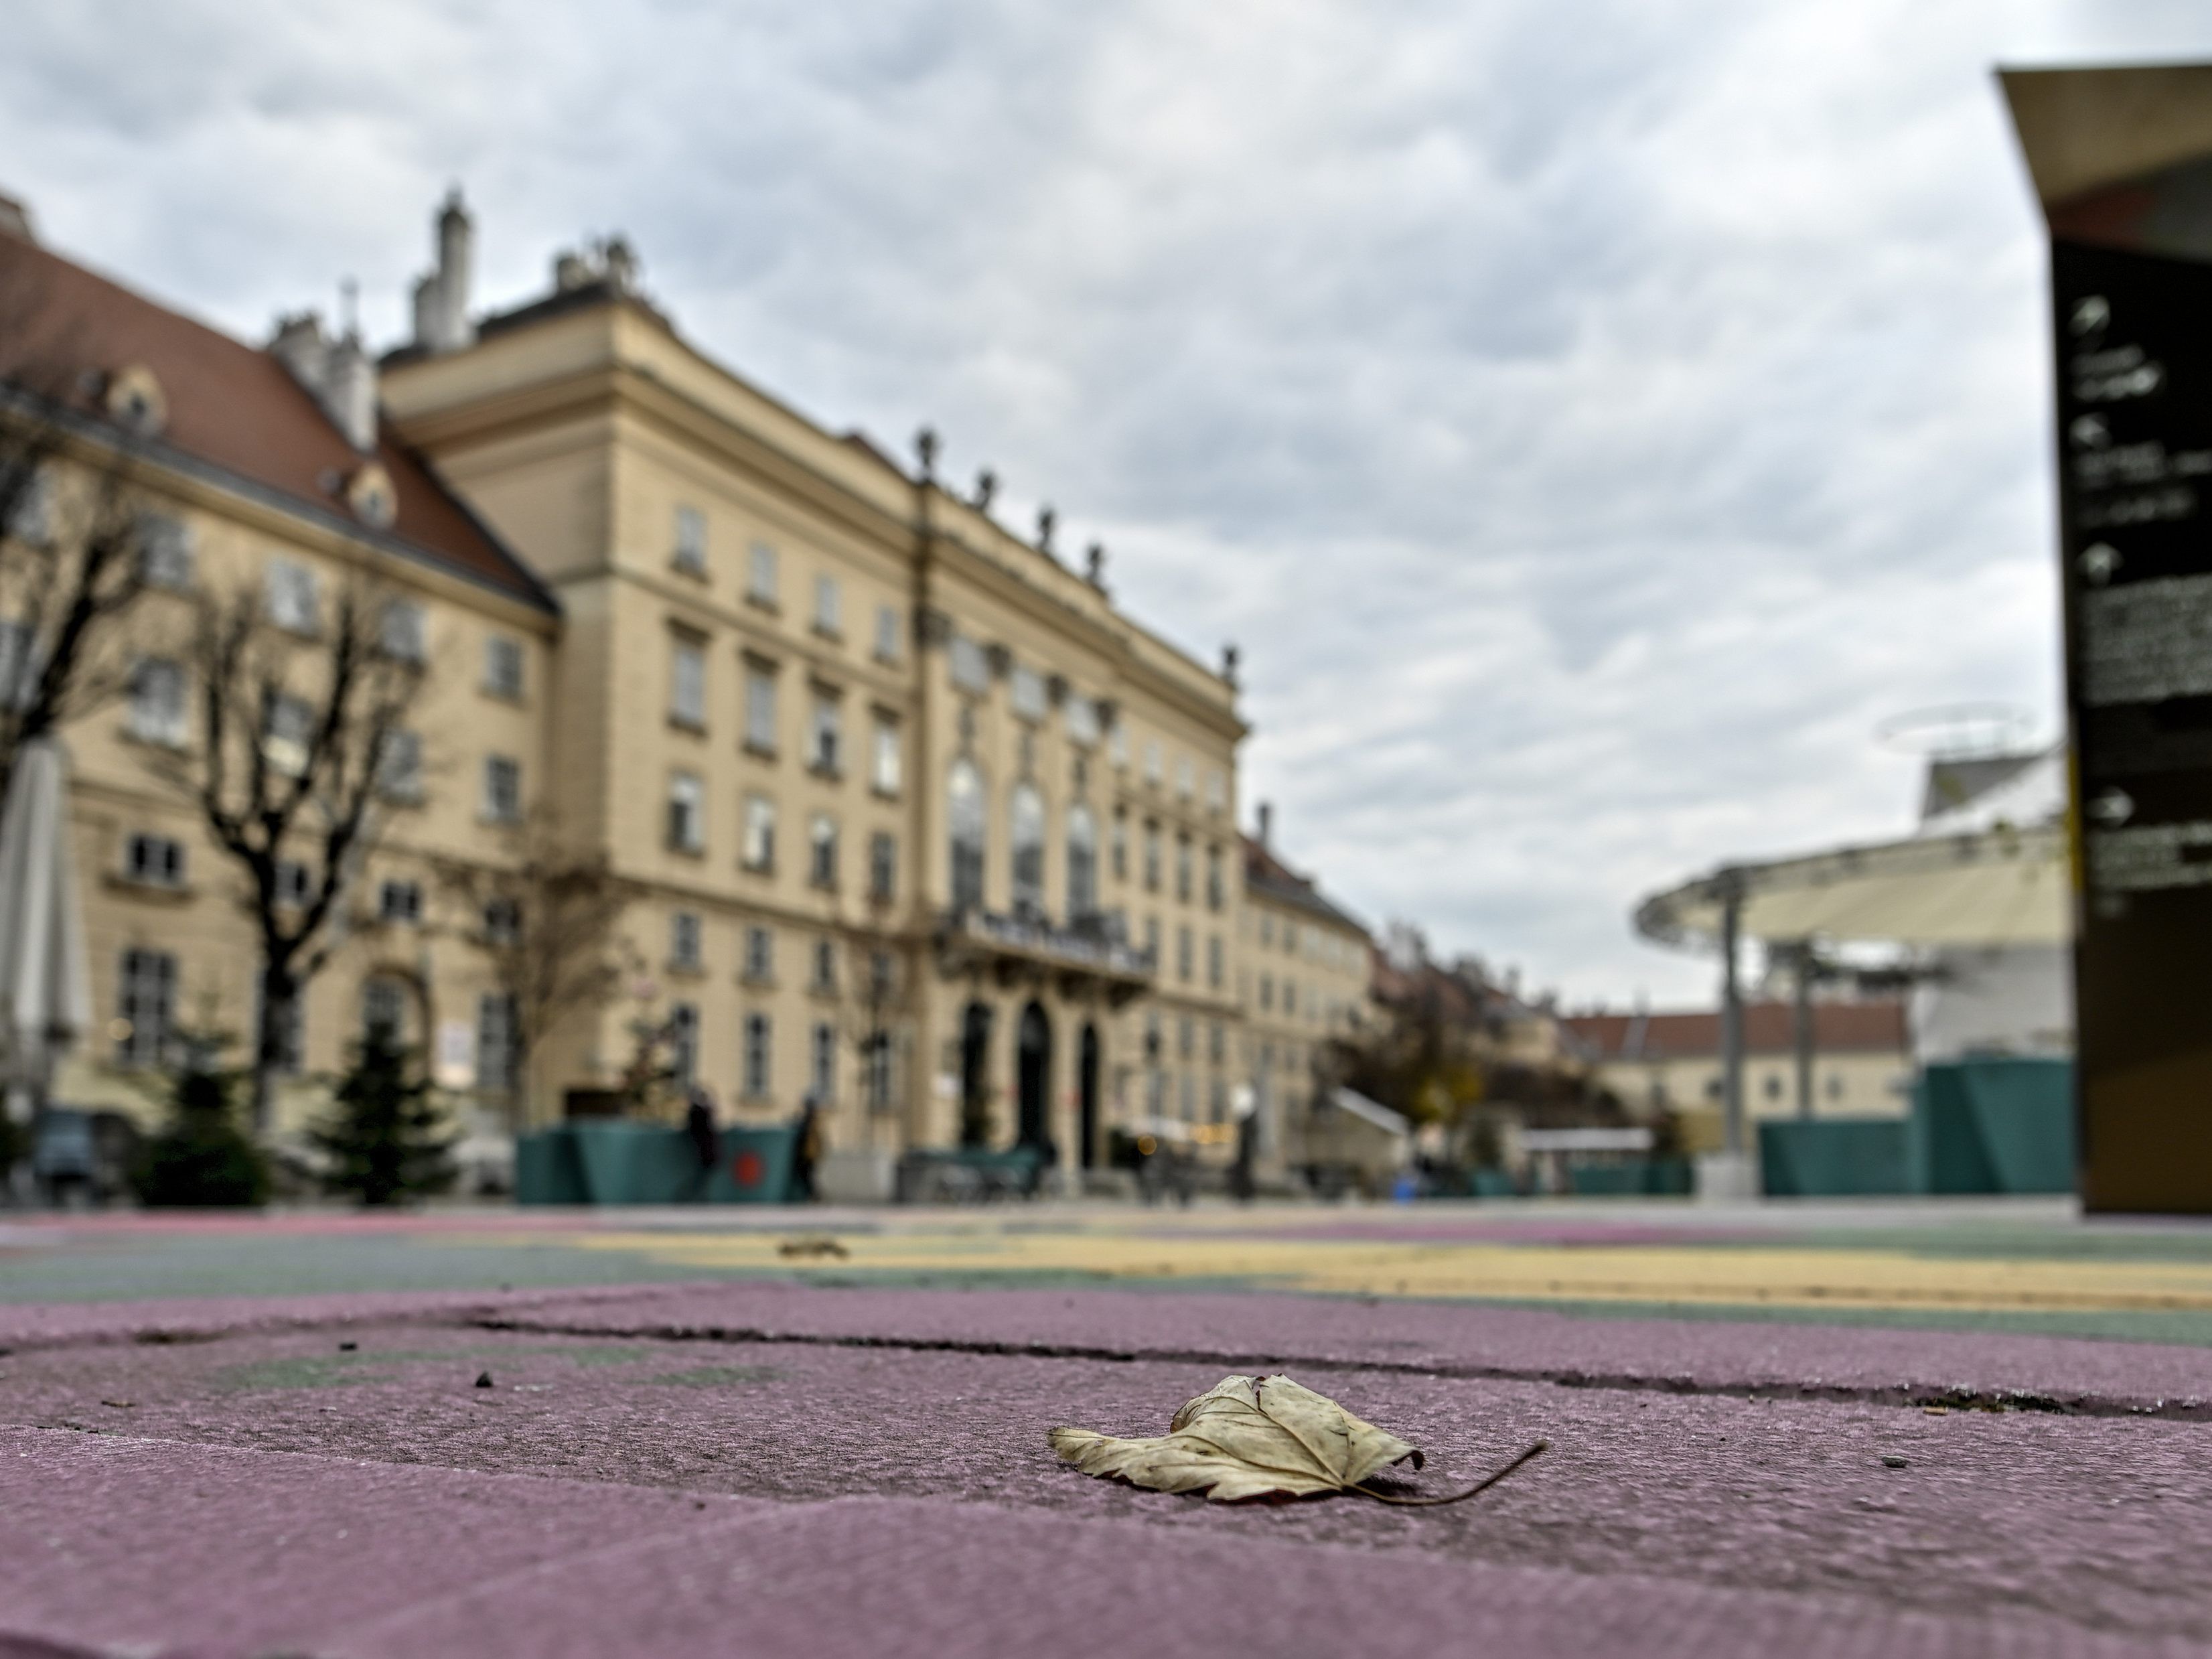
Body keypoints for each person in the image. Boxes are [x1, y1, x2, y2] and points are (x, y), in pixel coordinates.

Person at [685, 1086, 719, 1201]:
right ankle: (693, 1196)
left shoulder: (697, 1111)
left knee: (703, 1174)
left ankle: (695, 1196)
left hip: (704, 1147)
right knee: (702, 1175)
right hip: (704, 1147)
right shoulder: (699, 1112)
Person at [790, 1096, 821, 1202]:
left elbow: (805, 1134)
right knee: (807, 1176)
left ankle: (814, 1196)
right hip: (809, 1154)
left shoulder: (810, 1120)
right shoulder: (813, 1120)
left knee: (806, 1176)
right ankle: (811, 1196)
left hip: (807, 1154)